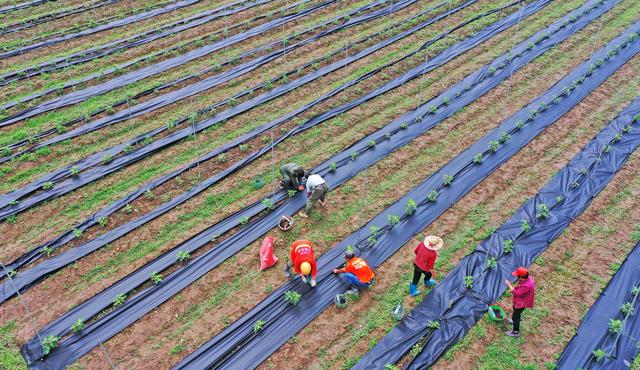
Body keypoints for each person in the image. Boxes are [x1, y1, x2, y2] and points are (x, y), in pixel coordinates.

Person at [504, 267, 535, 338]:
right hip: (521, 300)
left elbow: (517, 293)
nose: (516, 277)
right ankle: (515, 319)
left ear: (521, 277)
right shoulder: (527, 279)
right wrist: (515, 288)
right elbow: (519, 288)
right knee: (516, 311)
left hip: (522, 303)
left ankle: (515, 332)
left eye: (517, 276)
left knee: (515, 316)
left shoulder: (527, 285)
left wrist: (509, 285)